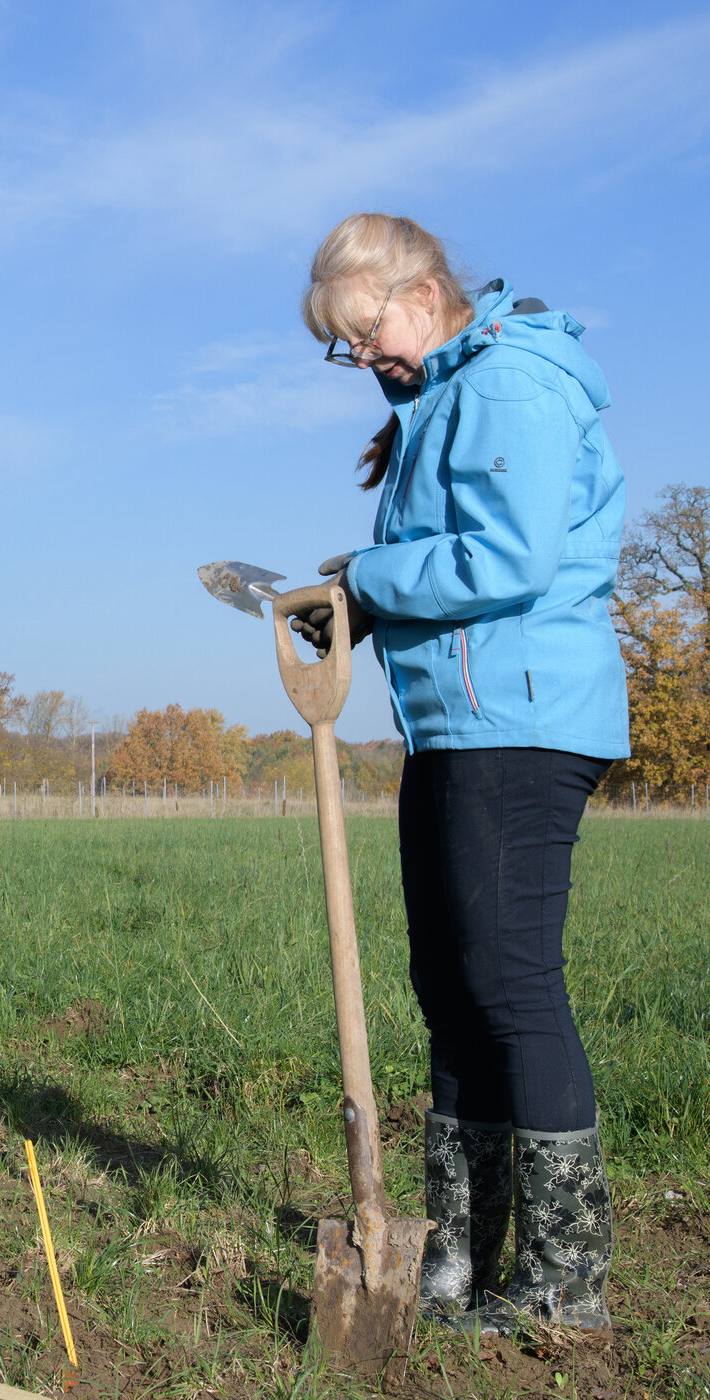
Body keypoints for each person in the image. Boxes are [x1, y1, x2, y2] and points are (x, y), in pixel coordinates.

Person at [294, 213, 628, 1334]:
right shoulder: (440, 396)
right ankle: (452, 1251)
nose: (362, 360)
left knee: (508, 989)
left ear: (423, 287)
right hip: (451, 726)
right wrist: (356, 603)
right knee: (448, 993)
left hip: (522, 718)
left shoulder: (511, 383)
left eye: (364, 332)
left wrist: (369, 573)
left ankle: (559, 1279)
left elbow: (510, 556)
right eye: (342, 348)